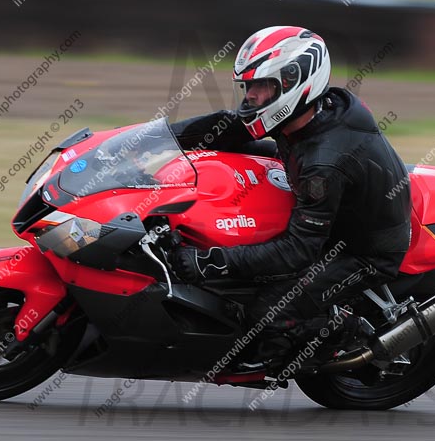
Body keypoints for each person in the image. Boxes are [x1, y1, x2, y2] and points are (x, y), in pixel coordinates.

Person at [170, 26, 412, 361]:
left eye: (261, 86)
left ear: (294, 82)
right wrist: (149, 143)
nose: (251, 95)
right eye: (248, 85)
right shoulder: (312, 109)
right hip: (336, 207)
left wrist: (211, 262)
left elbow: (299, 251)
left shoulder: (323, 165)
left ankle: (351, 333)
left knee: (266, 313)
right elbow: (226, 128)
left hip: (363, 251)